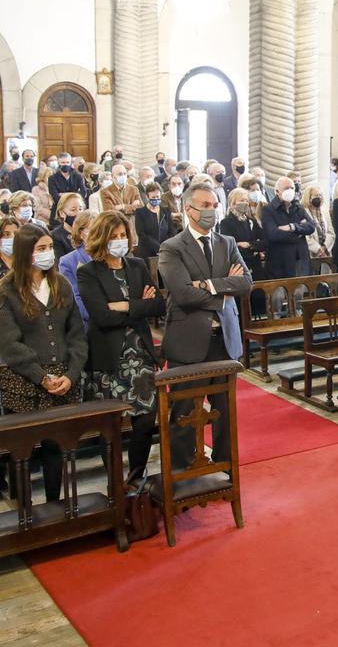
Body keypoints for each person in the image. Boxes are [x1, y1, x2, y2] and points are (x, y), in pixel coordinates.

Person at [157, 183, 253, 471]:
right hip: (189, 341)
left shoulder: (227, 242)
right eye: (206, 205)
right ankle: (182, 471)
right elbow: (183, 294)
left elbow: (245, 284)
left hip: (224, 339)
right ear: (189, 209)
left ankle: (225, 466)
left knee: (225, 411)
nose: (212, 210)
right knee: (185, 411)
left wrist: (207, 285)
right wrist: (224, 291)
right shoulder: (172, 247)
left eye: (214, 205)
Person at [0, 224, 87, 502]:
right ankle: (25, 508)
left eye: (49, 247)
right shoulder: (6, 290)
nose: (48, 253)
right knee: (22, 451)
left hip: (62, 379)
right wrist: (41, 376)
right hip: (24, 381)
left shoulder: (60, 284)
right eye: (41, 248)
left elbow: (76, 335)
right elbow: (8, 344)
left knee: (55, 447)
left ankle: (54, 503)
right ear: (25, 253)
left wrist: (71, 374)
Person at [77, 211, 165, 483]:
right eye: (113, 236)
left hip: (140, 356)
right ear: (101, 238)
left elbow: (158, 305)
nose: (119, 240)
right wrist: (139, 306)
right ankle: (115, 481)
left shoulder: (137, 265)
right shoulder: (88, 272)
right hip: (109, 361)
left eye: (123, 235)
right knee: (111, 427)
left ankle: (136, 478)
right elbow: (101, 317)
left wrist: (125, 305)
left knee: (145, 422)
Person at [262, 177, 315, 278]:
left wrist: (293, 227)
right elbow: (273, 234)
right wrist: (299, 234)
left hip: (300, 260)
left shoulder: (298, 207)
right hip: (280, 263)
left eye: (292, 188)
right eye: (286, 188)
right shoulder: (268, 210)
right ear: (277, 191)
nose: (290, 190)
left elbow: (311, 226)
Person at [220, 188, 267, 278]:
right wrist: (254, 251)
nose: (245, 203)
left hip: (256, 268)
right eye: (242, 200)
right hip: (239, 267)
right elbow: (231, 247)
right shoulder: (226, 223)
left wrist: (249, 245)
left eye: (246, 200)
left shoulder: (252, 221)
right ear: (232, 204)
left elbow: (265, 242)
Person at [58, 211, 95, 323]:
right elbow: (75, 298)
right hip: (90, 322)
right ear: (80, 233)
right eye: (93, 230)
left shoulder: (111, 255)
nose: (98, 234)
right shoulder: (68, 262)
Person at [303, 184, 334, 262]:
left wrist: (325, 247)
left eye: (320, 195)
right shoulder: (303, 212)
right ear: (309, 197)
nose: (319, 197)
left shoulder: (325, 211)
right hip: (311, 252)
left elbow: (331, 232)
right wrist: (318, 249)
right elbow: (305, 236)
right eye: (316, 195)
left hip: (326, 252)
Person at [51, 192, 85, 258]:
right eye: (73, 210)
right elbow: (61, 261)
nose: (78, 213)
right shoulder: (55, 236)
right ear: (61, 213)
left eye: (80, 209)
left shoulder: (88, 231)